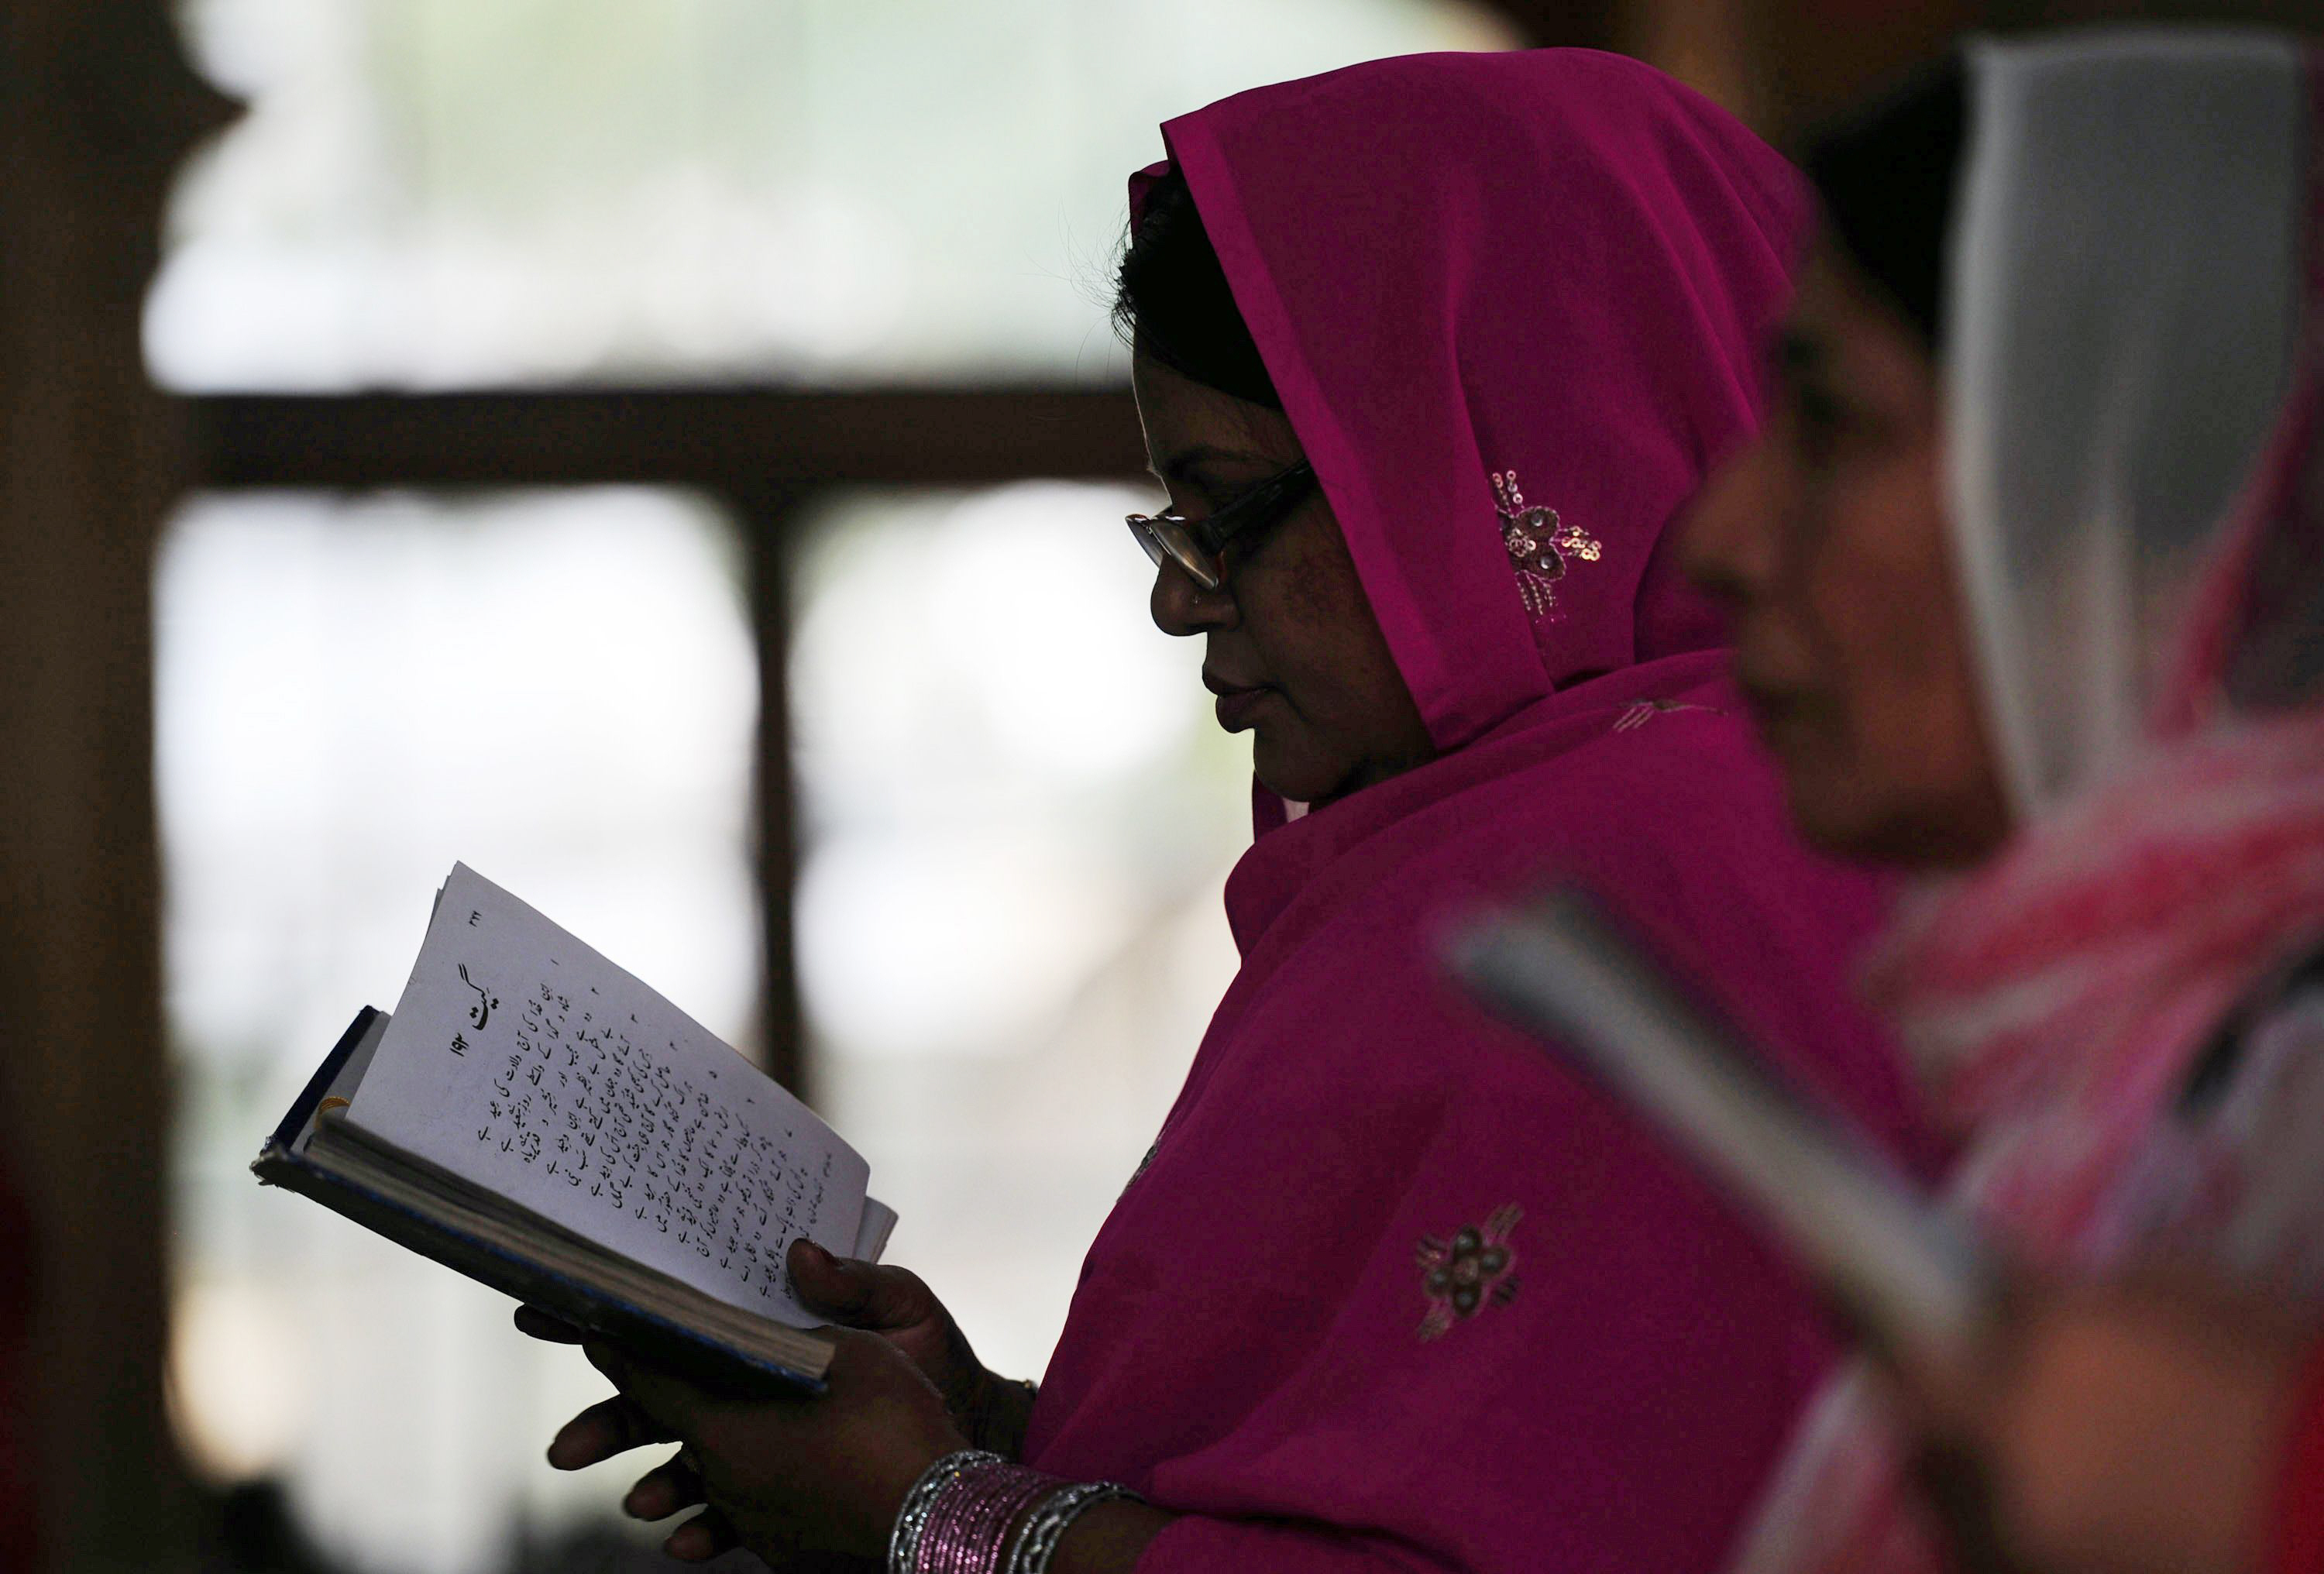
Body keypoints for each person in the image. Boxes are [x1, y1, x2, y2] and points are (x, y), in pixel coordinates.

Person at [528, 49, 1941, 1572]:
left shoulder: (1637, 874)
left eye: (1233, 510)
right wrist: (991, 1425)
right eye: (1169, 520)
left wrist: (929, 1518)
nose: (1175, 594)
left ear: (1500, 454)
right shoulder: (1509, 845)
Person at [1680, 29, 2324, 1574]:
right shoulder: (2121, 1064)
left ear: (2125, 497)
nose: (1722, 533)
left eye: (1834, 423)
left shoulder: (2293, 1093)